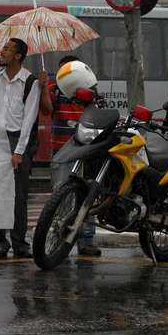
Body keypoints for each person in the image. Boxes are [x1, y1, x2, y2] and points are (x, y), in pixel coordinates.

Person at [39, 55, 103, 256]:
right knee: (61, 196)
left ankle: (86, 240)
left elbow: (101, 115)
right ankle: (60, 238)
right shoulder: (54, 90)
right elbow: (47, 109)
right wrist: (42, 88)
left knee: (89, 195)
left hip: (88, 151)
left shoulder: (93, 91)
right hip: (63, 151)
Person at [0, 38, 40, 259]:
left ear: (18, 56)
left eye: (8, 49)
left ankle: (20, 243)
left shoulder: (30, 82)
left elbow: (29, 120)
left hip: (17, 139)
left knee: (18, 196)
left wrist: (19, 151)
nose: (3, 52)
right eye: (3, 48)